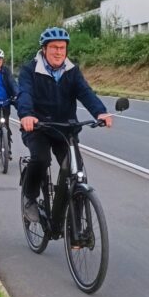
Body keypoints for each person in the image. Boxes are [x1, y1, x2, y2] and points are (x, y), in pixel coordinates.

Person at [17, 27, 113, 223]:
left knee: (76, 172)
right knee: (41, 159)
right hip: (38, 128)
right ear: (44, 49)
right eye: (54, 47)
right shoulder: (30, 70)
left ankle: (75, 223)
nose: (59, 52)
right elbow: (24, 94)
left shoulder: (72, 71)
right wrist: (27, 115)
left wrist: (100, 112)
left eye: (62, 48)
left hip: (65, 129)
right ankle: (30, 198)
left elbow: (85, 92)